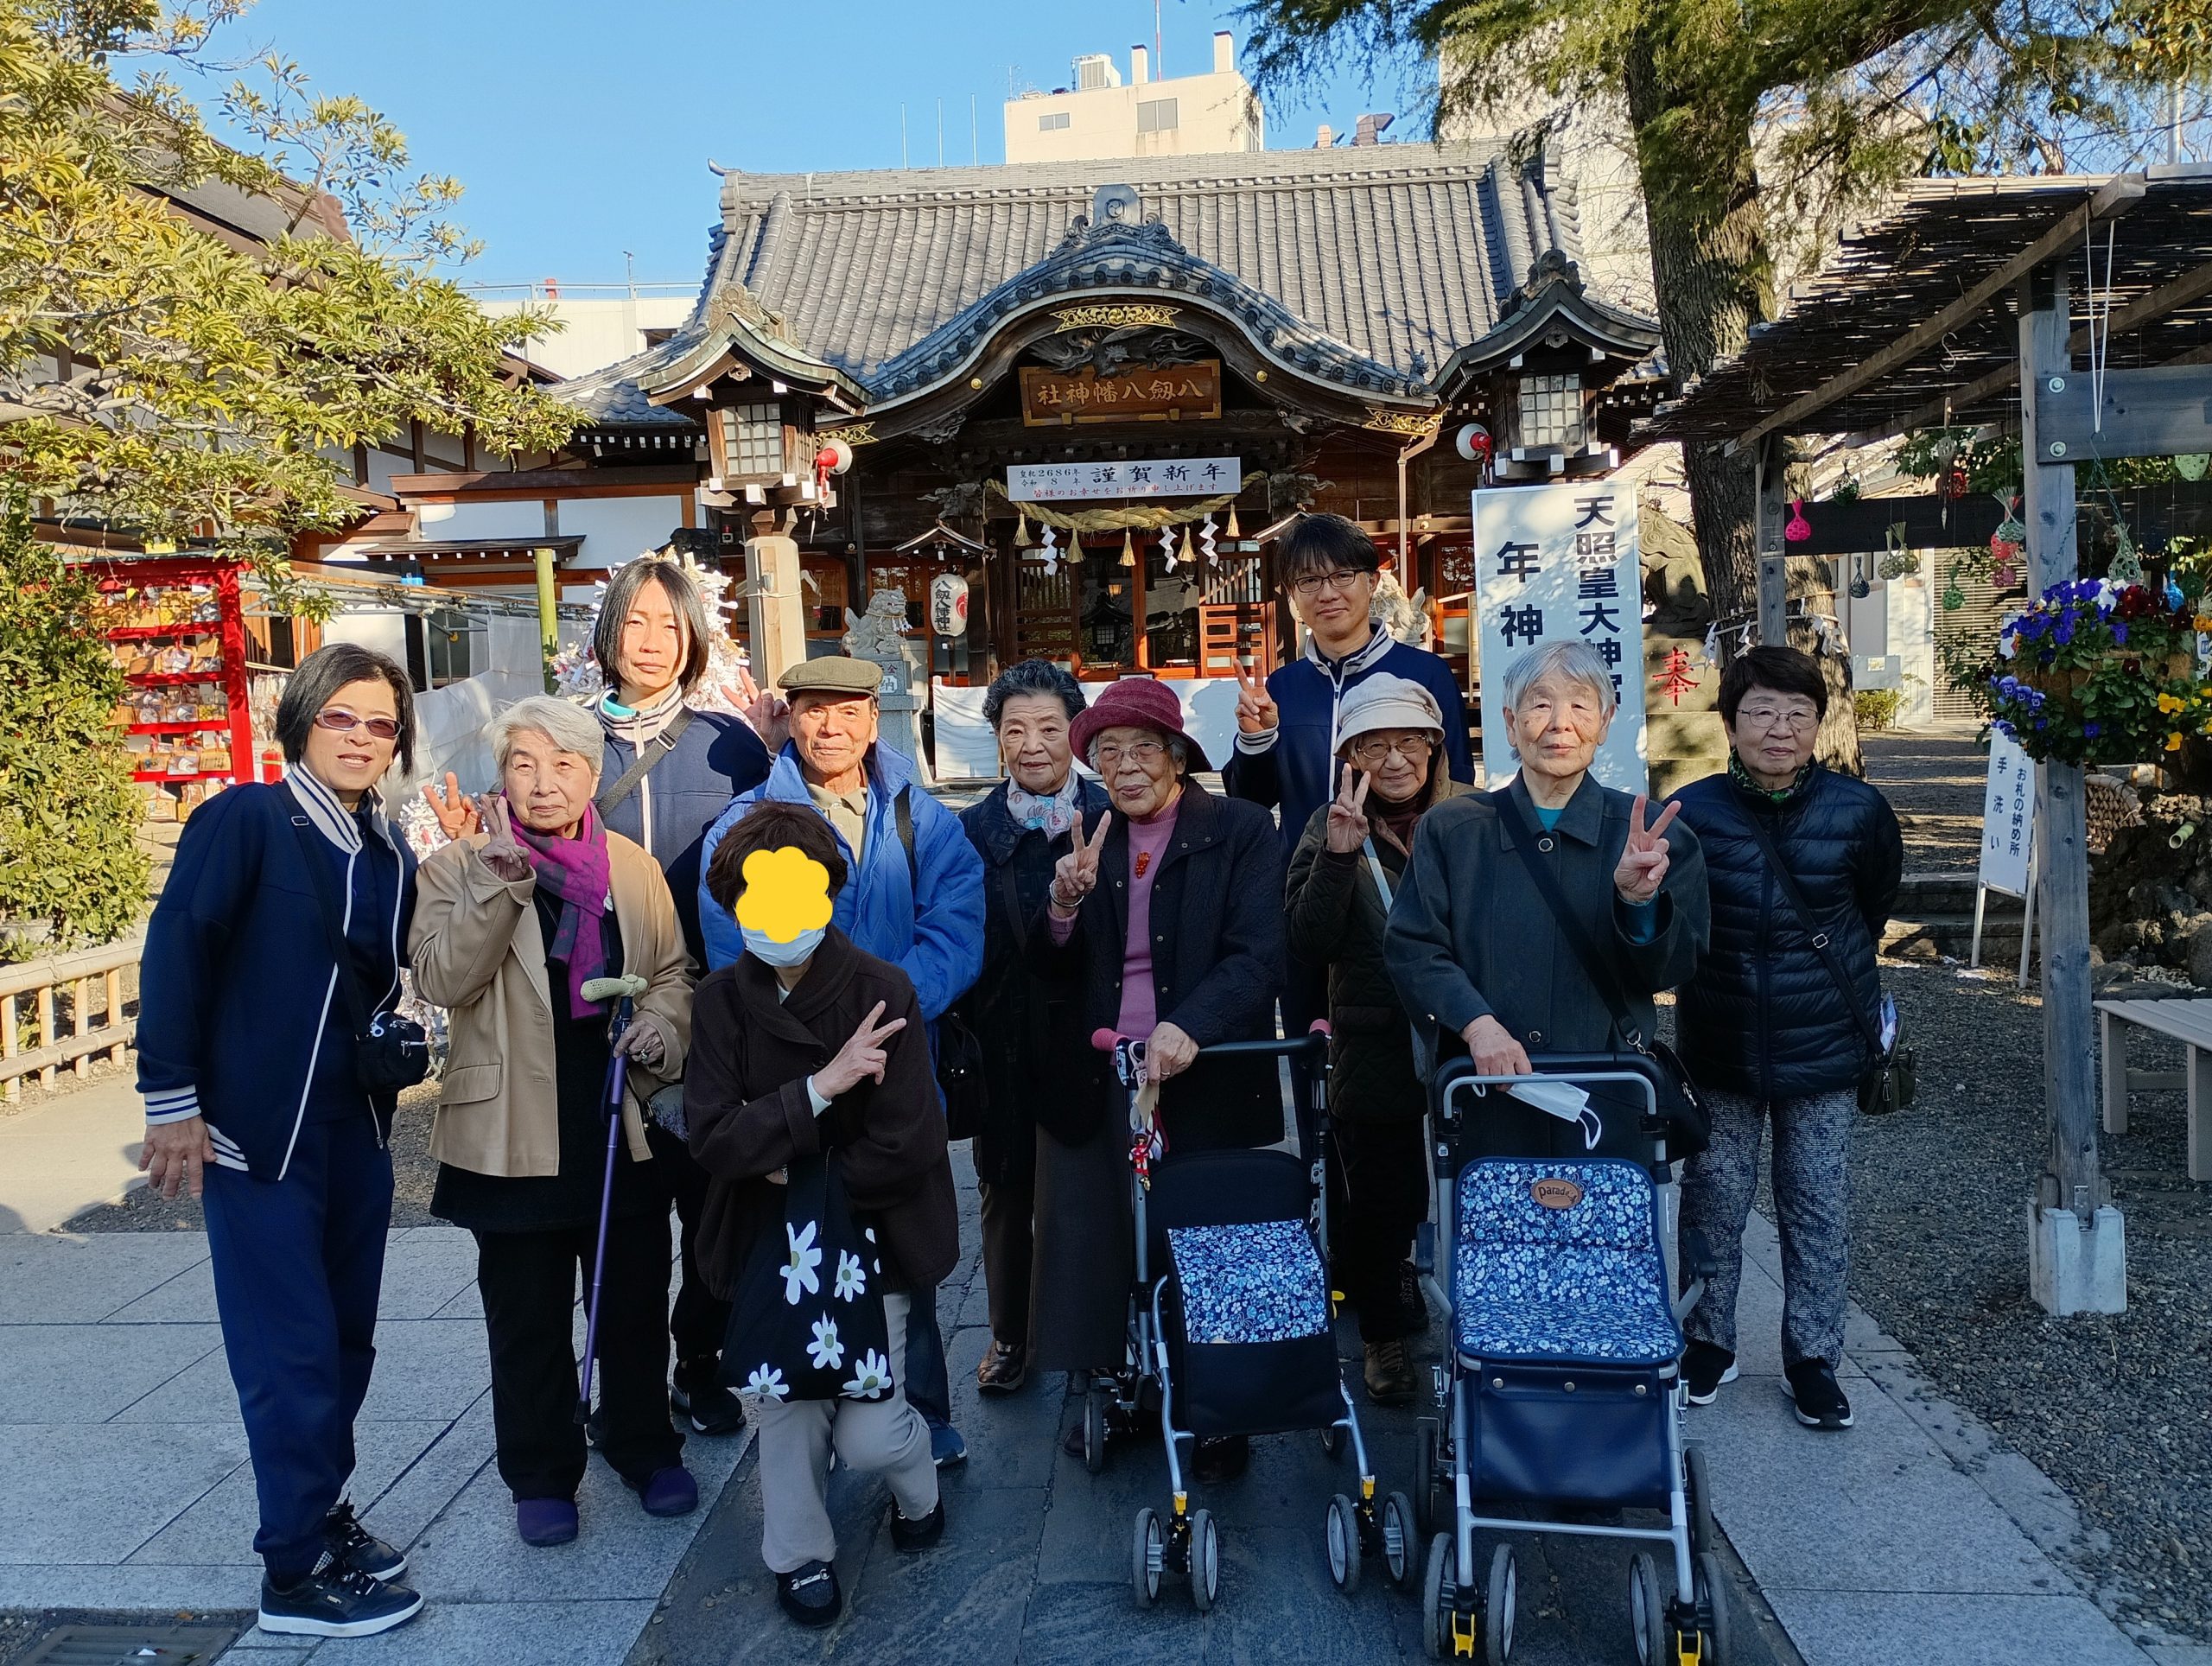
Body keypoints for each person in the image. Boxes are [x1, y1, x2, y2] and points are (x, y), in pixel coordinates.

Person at [424, 556, 773, 1440]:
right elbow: (507, 848)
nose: (652, 642)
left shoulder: (730, 745)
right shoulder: (566, 736)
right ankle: (618, 1398)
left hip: (708, 1009)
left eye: (671, 624)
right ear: (607, 631)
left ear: (695, 637)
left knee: (715, 1208)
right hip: (588, 1026)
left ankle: (698, 1360)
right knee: (623, 1227)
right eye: (635, 621)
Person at [136, 643, 424, 1638]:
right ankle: (292, 1569)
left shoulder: (385, 847)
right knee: (288, 1345)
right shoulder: (246, 819)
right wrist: (170, 1098)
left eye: (380, 722)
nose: (360, 736)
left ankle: (322, 1507)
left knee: (344, 1335)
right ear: (301, 720)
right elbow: (179, 944)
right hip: (258, 1131)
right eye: (340, 715)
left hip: (356, 1125)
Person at [410, 696, 697, 1547]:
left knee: (634, 1303)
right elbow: (441, 979)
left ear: (592, 773)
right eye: (524, 763)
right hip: (508, 1128)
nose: (543, 783)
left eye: (563, 764)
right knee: (526, 1316)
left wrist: (665, 1027)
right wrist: (497, 882)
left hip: (617, 1116)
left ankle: (643, 1444)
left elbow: (672, 972)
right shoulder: (459, 865)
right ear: (503, 774)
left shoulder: (631, 867)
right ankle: (540, 1472)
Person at [697, 655, 984, 1467]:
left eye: (848, 709)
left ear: (872, 717)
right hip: (784, 1077)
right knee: (796, 1245)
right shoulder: (744, 824)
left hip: (894, 1065)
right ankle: (812, 1404)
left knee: (900, 1242)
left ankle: (921, 1413)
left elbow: (956, 928)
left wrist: (885, 1012)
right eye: (814, 709)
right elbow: (730, 947)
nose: (831, 726)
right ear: (789, 717)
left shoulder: (921, 817)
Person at [686, 804, 957, 1628]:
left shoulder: (883, 989)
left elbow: (908, 1139)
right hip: (772, 1245)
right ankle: (799, 1556)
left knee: (870, 1435)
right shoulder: (719, 1002)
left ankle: (920, 1487)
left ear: (829, 893)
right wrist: (817, 1090)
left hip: (872, 1238)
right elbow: (713, 1135)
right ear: (734, 905)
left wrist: (788, 1164)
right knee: (789, 1406)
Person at [1031, 676, 1285, 1481]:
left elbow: (1260, 955)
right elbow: (1051, 973)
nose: (1126, 766)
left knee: (1205, 1240)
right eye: (1109, 751)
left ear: (1178, 756)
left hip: (1206, 1070)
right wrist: (1062, 908)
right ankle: (1133, 1383)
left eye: (1144, 747)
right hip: (1107, 1070)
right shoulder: (1089, 835)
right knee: (1112, 1238)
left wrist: (1190, 1024)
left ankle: (1218, 1404)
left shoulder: (1239, 829)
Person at [1667, 646, 1903, 1433]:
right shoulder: (1692, 812)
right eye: (1762, 711)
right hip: (1720, 1040)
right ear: (1730, 723)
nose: (1780, 729)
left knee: (1816, 1206)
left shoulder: (1859, 810)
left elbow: (1869, 912)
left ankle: (1813, 1360)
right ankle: (1708, 1342)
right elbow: (1676, 924)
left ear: (1817, 723)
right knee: (1712, 1200)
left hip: (1823, 1045)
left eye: (1799, 712)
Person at [1224, 512, 1473, 1167]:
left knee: (1428, 1067)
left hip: (1407, 900)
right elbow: (1250, 802)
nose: (1327, 593)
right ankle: (1334, 1202)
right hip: (1312, 901)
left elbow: (1457, 788)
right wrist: (1256, 739)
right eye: (1309, 581)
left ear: (1371, 581)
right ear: (1291, 596)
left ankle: (1438, 1204)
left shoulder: (1425, 673)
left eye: (1342, 576)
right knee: (1323, 1076)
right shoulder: (1281, 687)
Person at [1384, 638, 1709, 1101]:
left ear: (1605, 722)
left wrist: (1640, 906)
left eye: (1580, 705)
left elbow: (1674, 970)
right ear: (1510, 724)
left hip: (1609, 1089)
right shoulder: (1454, 830)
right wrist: (1476, 1025)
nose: (1560, 723)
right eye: (1540, 705)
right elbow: (1413, 947)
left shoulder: (1653, 836)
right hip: (1488, 1087)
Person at [1284, 674, 1471, 1405]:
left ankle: (1461, 1305)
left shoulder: (1474, 815)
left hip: (1465, 1031)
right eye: (1373, 746)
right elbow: (1307, 942)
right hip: (1372, 1033)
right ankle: (1381, 1337)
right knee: (1378, 1193)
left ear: (1434, 745)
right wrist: (1338, 856)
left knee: (1473, 1180)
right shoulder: (1327, 821)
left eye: (1408, 742)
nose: (1394, 759)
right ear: (1350, 757)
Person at [953, 659, 1108, 1396]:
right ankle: (1010, 1333)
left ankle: (1094, 1338)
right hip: (1003, 1031)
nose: (1032, 745)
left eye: (1049, 728)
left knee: (1090, 1191)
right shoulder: (970, 829)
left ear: (1075, 733)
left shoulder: (1111, 812)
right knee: (1006, 1190)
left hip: (1092, 1029)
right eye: (1015, 730)